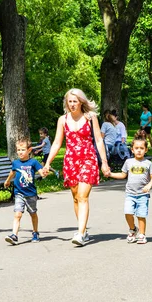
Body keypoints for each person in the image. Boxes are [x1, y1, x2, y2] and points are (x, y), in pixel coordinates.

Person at [43, 88, 110, 247]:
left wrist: (104, 162)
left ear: (81, 102)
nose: (72, 104)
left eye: (75, 101)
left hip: (88, 158)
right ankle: (84, 230)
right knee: (75, 197)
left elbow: (99, 140)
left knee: (82, 196)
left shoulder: (90, 117)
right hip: (71, 161)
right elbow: (57, 143)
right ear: (67, 103)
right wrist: (48, 163)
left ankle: (80, 234)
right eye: (70, 101)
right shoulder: (62, 120)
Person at [108, 137, 152, 244]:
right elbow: (123, 174)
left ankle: (142, 235)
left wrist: (149, 185)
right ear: (132, 150)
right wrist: (111, 174)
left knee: (141, 215)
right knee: (128, 212)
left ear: (146, 150)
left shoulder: (148, 163)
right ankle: (133, 229)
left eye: (142, 148)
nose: (139, 150)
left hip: (143, 194)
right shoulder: (128, 162)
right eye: (136, 148)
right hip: (130, 193)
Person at [4, 139, 47, 245]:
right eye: (18, 150)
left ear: (29, 150)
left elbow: (41, 173)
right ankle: (14, 235)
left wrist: (44, 173)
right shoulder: (16, 163)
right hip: (19, 193)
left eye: (23, 150)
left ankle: (35, 232)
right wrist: (8, 180)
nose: (20, 152)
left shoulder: (33, 162)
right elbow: (12, 172)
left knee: (33, 213)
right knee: (17, 214)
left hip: (31, 194)